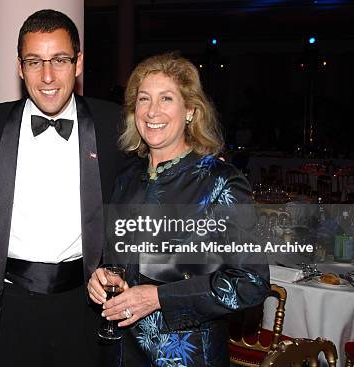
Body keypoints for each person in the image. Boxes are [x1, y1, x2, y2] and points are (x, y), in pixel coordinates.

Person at [0, 9, 128, 367]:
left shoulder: (114, 126)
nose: (48, 76)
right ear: (20, 67)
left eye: (60, 60)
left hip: (85, 304)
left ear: (78, 63)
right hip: (6, 305)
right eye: (35, 62)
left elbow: (139, 198)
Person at [87, 52, 269, 366]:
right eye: (144, 99)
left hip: (187, 357)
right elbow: (119, 261)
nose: (152, 111)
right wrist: (101, 277)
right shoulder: (126, 179)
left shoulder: (220, 182)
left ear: (190, 111)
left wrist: (158, 298)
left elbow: (250, 283)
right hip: (119, 352)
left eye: (166, 98)